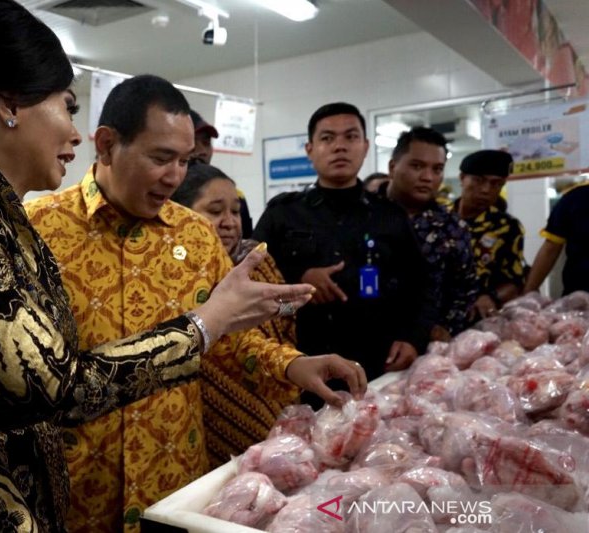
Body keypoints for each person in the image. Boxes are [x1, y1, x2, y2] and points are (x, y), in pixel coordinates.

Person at [0, 3, 323, 532]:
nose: (74, 134)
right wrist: (204, 325)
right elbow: (56, 387)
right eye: (66, 107)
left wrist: (267, 349)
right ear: (10, 104)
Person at [25, 76, 367, 532]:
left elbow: (222, 337)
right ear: (106, 145)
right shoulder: (37, 231)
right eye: (161, 158)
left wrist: (291, 364)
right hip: (77, 485)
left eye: (185, 161)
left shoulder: (195, 235)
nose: (175, 177)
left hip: (172, 484)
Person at [253, 102, 433, 399]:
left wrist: (413, 338)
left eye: (350, 137)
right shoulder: (282, 214)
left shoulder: (390, 215)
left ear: (364, 146)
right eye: (327, 138)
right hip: (301, 368)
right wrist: (299, 280)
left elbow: (421, 284)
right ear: (310, 150)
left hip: (378, 364)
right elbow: (252, 285)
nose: (339, 147)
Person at [171, 161, 298, 467]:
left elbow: (286, 320)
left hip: (275, 391)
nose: (229, 222)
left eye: (235, 211)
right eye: (215, 211)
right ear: (179, 213)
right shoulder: (176, 273)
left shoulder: (257, 257)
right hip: (204, 421)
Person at [383, 127, 478, 340]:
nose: (427, 177)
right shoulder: (363, 215)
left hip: (425, 346)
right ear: (392, 167)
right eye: (417, 166)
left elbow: (464, 289)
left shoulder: (452, 228)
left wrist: (445, 327)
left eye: (437, 169)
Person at [451, 149, 526, 318]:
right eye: (478, 180)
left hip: (480, 318)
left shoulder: (507, 227)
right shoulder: (436, 218)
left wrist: (490, 296)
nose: (486, 190)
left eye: (496, 184)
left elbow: (516, 280)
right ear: (462, 178)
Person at [190, 108, 254, 238]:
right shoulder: (159, 198)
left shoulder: (236, 196)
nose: (202, 151)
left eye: (206, 143)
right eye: (215, 211)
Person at [524, 180, 589, 295]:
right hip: (579, 297)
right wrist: (529, 292)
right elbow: (550, 249)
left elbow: (550, 249)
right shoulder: (575, 198)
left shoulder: (574, 197)